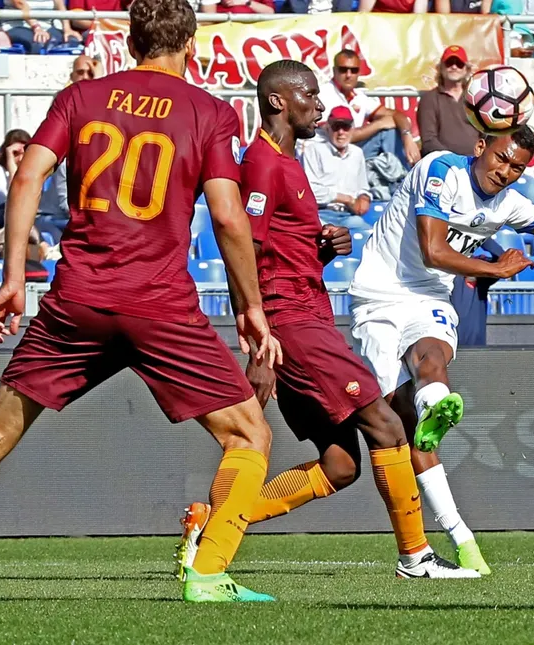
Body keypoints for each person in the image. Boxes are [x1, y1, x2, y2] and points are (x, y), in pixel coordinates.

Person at [0, 0, 284, 604]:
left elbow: (26, 179)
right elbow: (229, 216)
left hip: (77, 302)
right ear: (191, 45)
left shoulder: (81, 98)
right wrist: (252, 307)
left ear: (130, 43)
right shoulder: (209, 111)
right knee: (248, 435)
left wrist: (13, 275)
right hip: (160, 306)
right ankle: (207, 574)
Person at [175, 60, 478, 580]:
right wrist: (259, 340)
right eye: (310, 96)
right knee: (386, 425)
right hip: (292, 325)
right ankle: (417, 558)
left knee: (340, 465)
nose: (319, 105)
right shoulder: (264, 165)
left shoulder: (290, 163)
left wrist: (319, 252)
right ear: (277, 102)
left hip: (305, 315)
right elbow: (240, 248)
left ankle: (211, 527)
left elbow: (274, 251)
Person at [346, 127, 534, 574]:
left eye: (518, 167)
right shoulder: (441, 169)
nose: (505, 172)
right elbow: (432, 249)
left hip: (429, 298)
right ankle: (449, 537)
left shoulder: (508, 203)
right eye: (501, 159)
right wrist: (494, 268)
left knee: (432, 355)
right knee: (398, 429)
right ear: (481, 147)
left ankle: (436, 410)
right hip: (378, 297)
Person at [416, 46, 480, 157]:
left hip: (477, 161)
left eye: (459, 63)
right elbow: (429, 140)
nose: (454, 67)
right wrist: (452, 159)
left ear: (466, 69)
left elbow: (486, 133)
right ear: (441, 68)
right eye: (449, 63)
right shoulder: (429, 99)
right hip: (443, 163)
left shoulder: (476, 97)